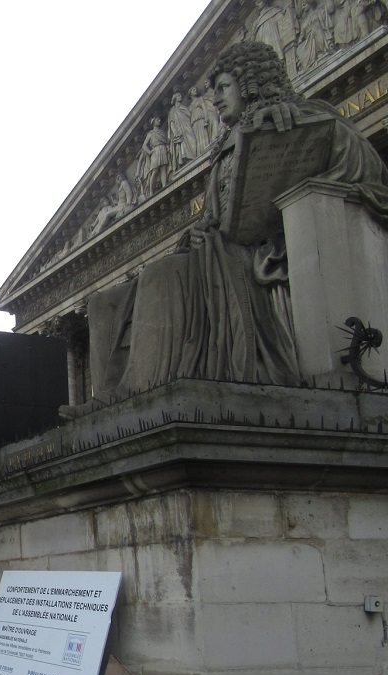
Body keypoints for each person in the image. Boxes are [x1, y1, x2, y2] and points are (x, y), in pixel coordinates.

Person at [73, 42, 388, 415]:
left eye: (222, 88)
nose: (215, 101)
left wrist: (299, 126)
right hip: (218, 251)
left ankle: (138, 390)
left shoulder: (299, 117)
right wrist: (194, 234)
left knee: (160, 275)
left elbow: (365, 167)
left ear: (251, 83)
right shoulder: (223, 146)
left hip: (264, 252)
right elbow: (214, 217)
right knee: (102, 301)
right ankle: (106, 399)